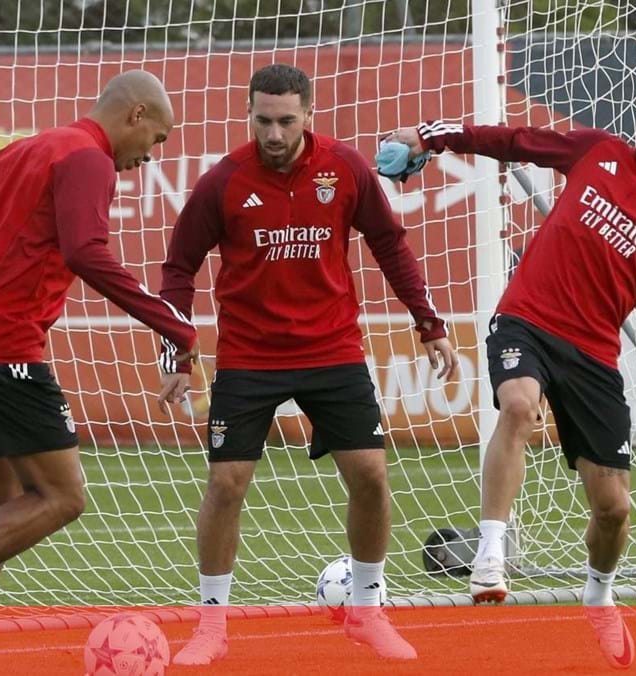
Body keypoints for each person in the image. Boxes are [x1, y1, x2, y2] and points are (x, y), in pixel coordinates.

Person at [389, 73, 636, 669]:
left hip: (594, 355)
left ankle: (599, 596)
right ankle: (489, 552)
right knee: (517, 405)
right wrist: (431, 138)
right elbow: (513, 141)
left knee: (614, 508)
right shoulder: (597, 150)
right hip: (526, 320)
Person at [0, 70, 198, 675]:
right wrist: (175, 327)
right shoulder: (90, 159)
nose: (150, 156)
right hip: (2, 346)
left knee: (8, 505)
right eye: (156, 139)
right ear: (134, 116)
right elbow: (87, 251)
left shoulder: (27, 148)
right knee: (62, 497)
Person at [160, 64, 455, 664]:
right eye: (263, 120)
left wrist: (428, 323)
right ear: (249, 114)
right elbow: (178, 268)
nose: (274, 133)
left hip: (332, 351)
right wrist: (177, 352)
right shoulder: (222, 182)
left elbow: (390, 244)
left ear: (309, 115)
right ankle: (212, 625)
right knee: (226, 484)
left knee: (371, 475)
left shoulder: (344, 169)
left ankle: (368, 610)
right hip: (248, 356)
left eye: (286, 120)